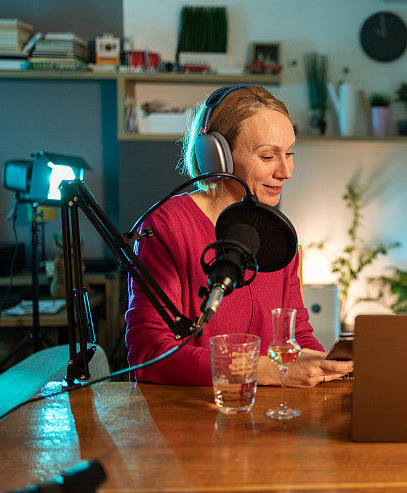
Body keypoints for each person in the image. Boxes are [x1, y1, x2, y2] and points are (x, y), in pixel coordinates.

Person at [125, 85, 353, 386]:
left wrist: (322, 365)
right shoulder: (166, 227)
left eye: (289, 153)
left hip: (263, 421)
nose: (286, 171)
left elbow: (296, 336)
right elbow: (149, 355)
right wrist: (265, 369)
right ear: (217, 158)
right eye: (268, 156)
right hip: (187, 420)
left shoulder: (277, 235)